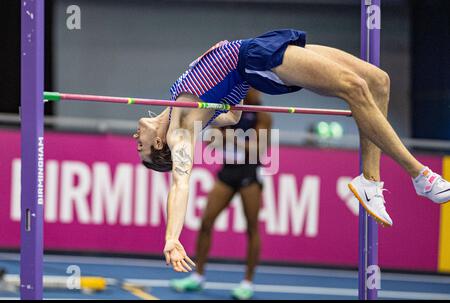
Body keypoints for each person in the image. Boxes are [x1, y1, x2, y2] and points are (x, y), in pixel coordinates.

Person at [133, 29, 450, 273]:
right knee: (355, 89)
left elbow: (233, 115)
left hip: (260, 46)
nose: (137, 138)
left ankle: (370, 181)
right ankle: (419, 174)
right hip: (255, 60)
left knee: (377, 81)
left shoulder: (180, 106)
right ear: (160, 145)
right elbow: (181, 182)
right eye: (140, 147)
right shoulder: (181, 131)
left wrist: (223, 91)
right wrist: (171, 238)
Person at [169, 89, 271, 300]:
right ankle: (197, 277)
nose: (252, 91)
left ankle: (247, 283)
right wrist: (225, 137)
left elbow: (258, 148)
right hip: (227, 172)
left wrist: (230, 138)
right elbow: (211, 141)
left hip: (249, 173)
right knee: (206, 222)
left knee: (252, 229)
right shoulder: (228, 110)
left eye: (253, 88)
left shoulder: (262, 115)